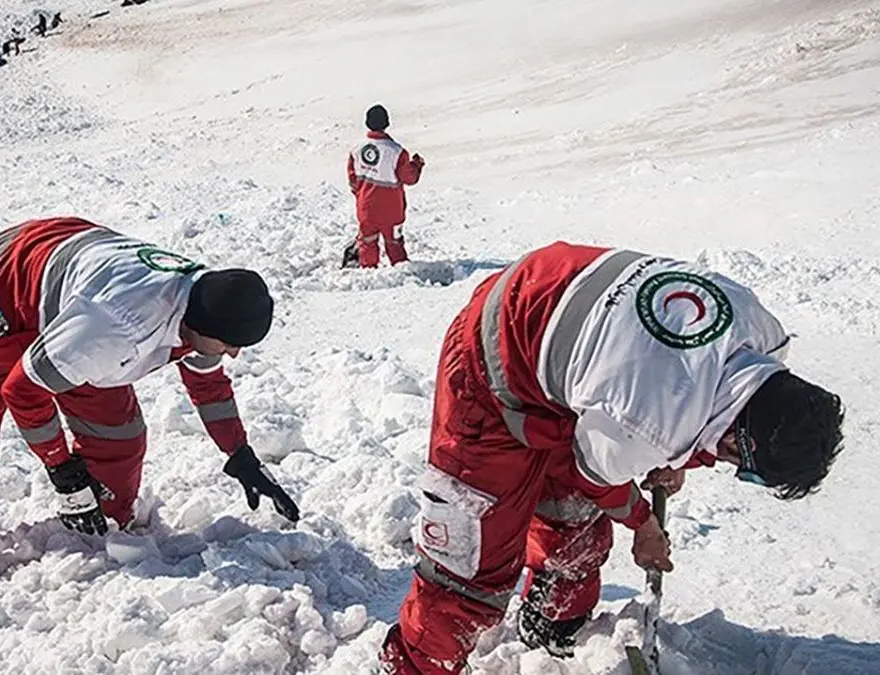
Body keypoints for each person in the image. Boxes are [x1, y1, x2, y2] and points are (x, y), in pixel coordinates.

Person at [379, 241, 844, 674]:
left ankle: (554, 626)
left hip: (560, 309)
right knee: (471, 557)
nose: (731, 470)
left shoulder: (763, 333)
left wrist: (677, 456)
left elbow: (691, 392)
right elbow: (594, 475)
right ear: (743, 442)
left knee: (571, 515)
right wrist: (643, 524)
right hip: (491, 355)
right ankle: (416, 665)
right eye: (746, 470)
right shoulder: (652, 418)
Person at [0, 217, 300, 542]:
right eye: (229, 344)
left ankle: (97, 531)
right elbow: (22, 391)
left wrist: (240, 454)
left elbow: (208, 387)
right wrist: (62, 469)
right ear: (199, 326)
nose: (233, 354)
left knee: (119, 437)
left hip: (71, 287)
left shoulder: (206, 303)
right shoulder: (115, 326)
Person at [346, 104, 424, 268]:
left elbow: (353, 180)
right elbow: (409, 178)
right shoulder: (397, 151)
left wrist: (361, 196)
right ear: (387, 123)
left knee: (367, 242)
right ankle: (401, 270)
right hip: (392, 210)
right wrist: (416, 165)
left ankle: (368, 270)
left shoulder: (356, 150)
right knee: (394, 242)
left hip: (366, 207)